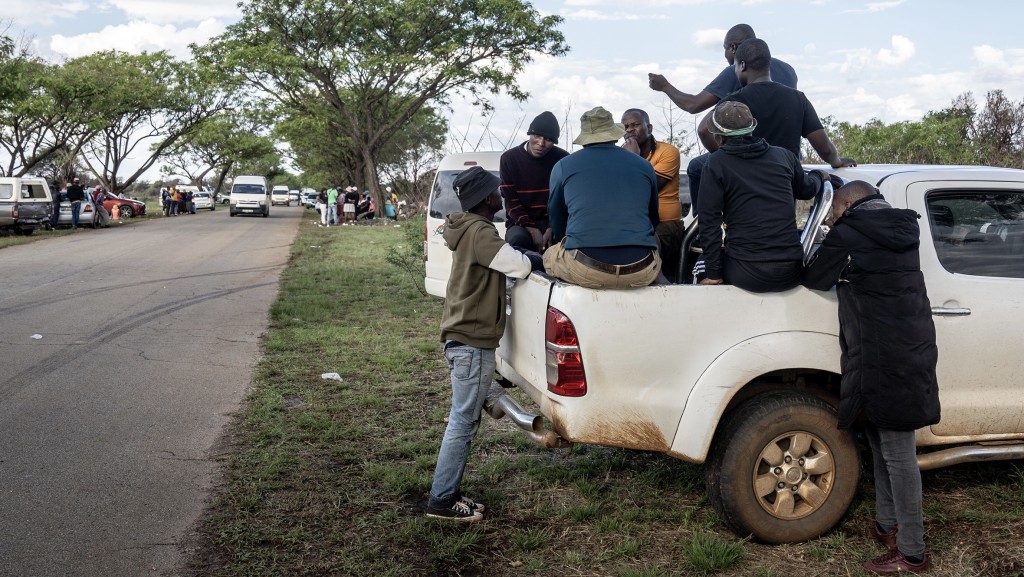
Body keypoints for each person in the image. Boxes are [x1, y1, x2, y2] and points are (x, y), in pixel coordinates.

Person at [803, 180, 940, 574]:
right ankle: (886, 524)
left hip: (882, 353)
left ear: (846, 205)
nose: (829, 217)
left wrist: (829, 235)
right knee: (881, 439)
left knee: (898, 452)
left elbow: (814, 277)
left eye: (832, 211)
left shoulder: (849, 233)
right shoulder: (902, 228)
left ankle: (913, 552)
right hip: (907, 347)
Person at [427, 166, 543, 522]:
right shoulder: (480, 232)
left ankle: (449, 493)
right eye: (496, 193)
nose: (501, 197)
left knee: (465, 419)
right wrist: (546, 260)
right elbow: (519, 266)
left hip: (460, 335)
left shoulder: (467, 230)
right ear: (484, 199)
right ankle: (442, 500)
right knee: (462, 422)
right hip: (471, 340)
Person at [690, 38, 856, 206]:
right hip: (784, 193)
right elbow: (825, 148)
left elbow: (704, 130)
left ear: (742, 65)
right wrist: (837, 161)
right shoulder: (797, 99)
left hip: (745, 193)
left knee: (696, 168)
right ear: (767, 65)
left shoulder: (735, 101)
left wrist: (727, 158)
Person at [696, 101, 827, 292]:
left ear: (718, 137)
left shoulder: (715, 163)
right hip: (791, 271)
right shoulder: (785, 156)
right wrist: (818, 176)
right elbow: (807, 190)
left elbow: (709, 222)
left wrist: (714, 275)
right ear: (752, 128)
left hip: (746, 271)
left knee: (698, 264)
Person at [545, 106, 661, 289]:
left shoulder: (563, 166)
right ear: (614, 135)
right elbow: (653, 220)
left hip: (586, 268)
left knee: (549, 256)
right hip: (640, 269)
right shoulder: (644, 165)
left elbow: (557, 221)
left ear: (584, 139)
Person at [648, 23, 797, 115]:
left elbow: (693, 105)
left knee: (695, 166)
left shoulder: (739, 71)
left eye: (724, 49)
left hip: (754, 155)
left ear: (733, 48)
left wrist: (665, 86)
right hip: (789, 156)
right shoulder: (789, 70)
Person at [621, 108, 685, 282]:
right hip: (635, 223)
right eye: (625, 126)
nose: (629, 130)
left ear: (649, 128)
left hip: (665, 224)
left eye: (635, 125)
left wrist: (633, 158)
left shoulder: (668, 151)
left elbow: (648, 186)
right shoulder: (620, 155)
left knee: (643, 249)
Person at [499, 111, 570, 252]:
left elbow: (566, 199)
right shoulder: (509, 159)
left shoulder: (563, 159)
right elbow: (510, 200)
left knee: (565, 243)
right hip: (520, 223)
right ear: (530, 135)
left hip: (554, 221)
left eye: (548, 139)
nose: (541, 143)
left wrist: (553, 227)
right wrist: (531, 229)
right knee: (518, 241)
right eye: (537, 136)